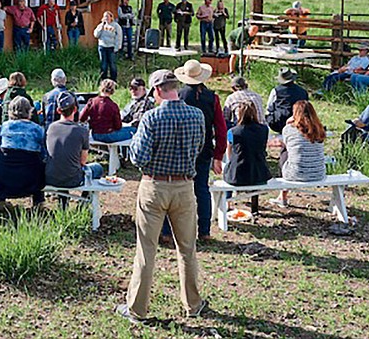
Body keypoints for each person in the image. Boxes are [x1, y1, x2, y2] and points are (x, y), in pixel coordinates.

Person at [116, 69, 206, 323]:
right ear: (175, 87)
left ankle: (137, 309)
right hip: (185, 186)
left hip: (154, 186)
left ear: (157, 90)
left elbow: (138, 157)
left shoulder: (152, 117)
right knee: (187, 249)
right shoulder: (196, 115)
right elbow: (199, 148)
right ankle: (193, 303)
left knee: (146, 250)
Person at [163, 60, 227, 242]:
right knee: (202, 190)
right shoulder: (212, 98)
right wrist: (218, 156)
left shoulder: (180, 96)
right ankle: (204, 231)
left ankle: (168, 231)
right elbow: (220, 129)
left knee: (173, 189)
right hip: (204, 149)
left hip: (180, 149)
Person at [0, 96, 46, 209]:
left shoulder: (5, 126)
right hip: (30, 178)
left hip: (4, 175)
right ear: (29, 111)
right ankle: (38, 202)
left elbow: (1, 143)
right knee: (40, 166)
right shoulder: (37, 129)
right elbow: (43, 153)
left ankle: (0, 200)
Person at [271, 100, 327, 207]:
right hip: (318, 173)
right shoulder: (320, 129)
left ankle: (282, 197)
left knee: (286, 151)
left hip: (295, 174)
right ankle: (281, 196)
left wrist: (287, 123)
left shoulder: (289, 129)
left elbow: (287, 145)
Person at [45, 92, 105, 188]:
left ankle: (63, 200)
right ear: (75, 109)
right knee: (98, 168)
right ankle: (86, 198)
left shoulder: (50, 128)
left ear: (58, 110)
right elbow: (83, 161)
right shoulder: (82, 131)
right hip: (72, 180)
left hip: (50, 177)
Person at [223, 102, 271, 192]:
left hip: (237, 175)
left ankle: (228, 201)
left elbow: (229, 154)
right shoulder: (264, 129)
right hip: (260, 174)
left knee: (227, 164)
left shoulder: (233, 132)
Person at [266, 68, 309, 133]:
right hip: (299, 121)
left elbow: (269, 107)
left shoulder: (276, 91)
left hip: (279, 123)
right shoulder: (303, 91)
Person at [94, 10, 122, 81]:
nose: (106, 18)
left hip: (111, 47)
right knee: (103, 64)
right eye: (104, 16)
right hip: (102, 47)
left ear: (111, 17)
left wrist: (117, 47)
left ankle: (113, 79)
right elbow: (96, 35)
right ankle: (103, 79)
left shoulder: (115, 26)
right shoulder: (101, 25)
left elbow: (119, 37)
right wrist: (101, 27)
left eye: (107, 16)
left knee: (112, 64)